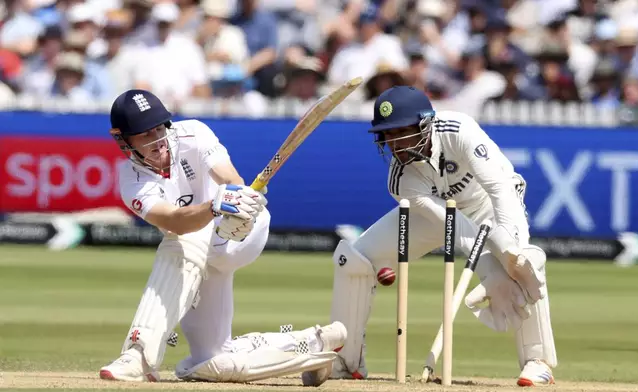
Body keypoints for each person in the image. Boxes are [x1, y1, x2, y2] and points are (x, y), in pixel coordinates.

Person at [99, 89, 346, 385]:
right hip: (196, 255)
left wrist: (234, 202)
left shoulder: (193, 132)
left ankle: (139, 354)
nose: (157, 140)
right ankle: (313, 344)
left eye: (158, 128)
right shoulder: (132, 181)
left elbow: (231, 180)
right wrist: (212, 206)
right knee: (210, 360)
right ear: (123, 140)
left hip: (241, 230)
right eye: (144, 135)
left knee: (181, 243)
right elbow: (173, 220)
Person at [329, 86, 556, 386]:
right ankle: (347, 359)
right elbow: (454, 227)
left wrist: (510, 256)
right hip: (439, 215)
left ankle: (537, 361)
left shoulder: (458, 130)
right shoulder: (401, 181)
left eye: (401, 132)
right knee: (353, 261)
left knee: (522, 264)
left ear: (425, 123)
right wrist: (490, 271)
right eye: (387, 135)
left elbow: (500, 189)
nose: (394, 144)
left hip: (490, 203)